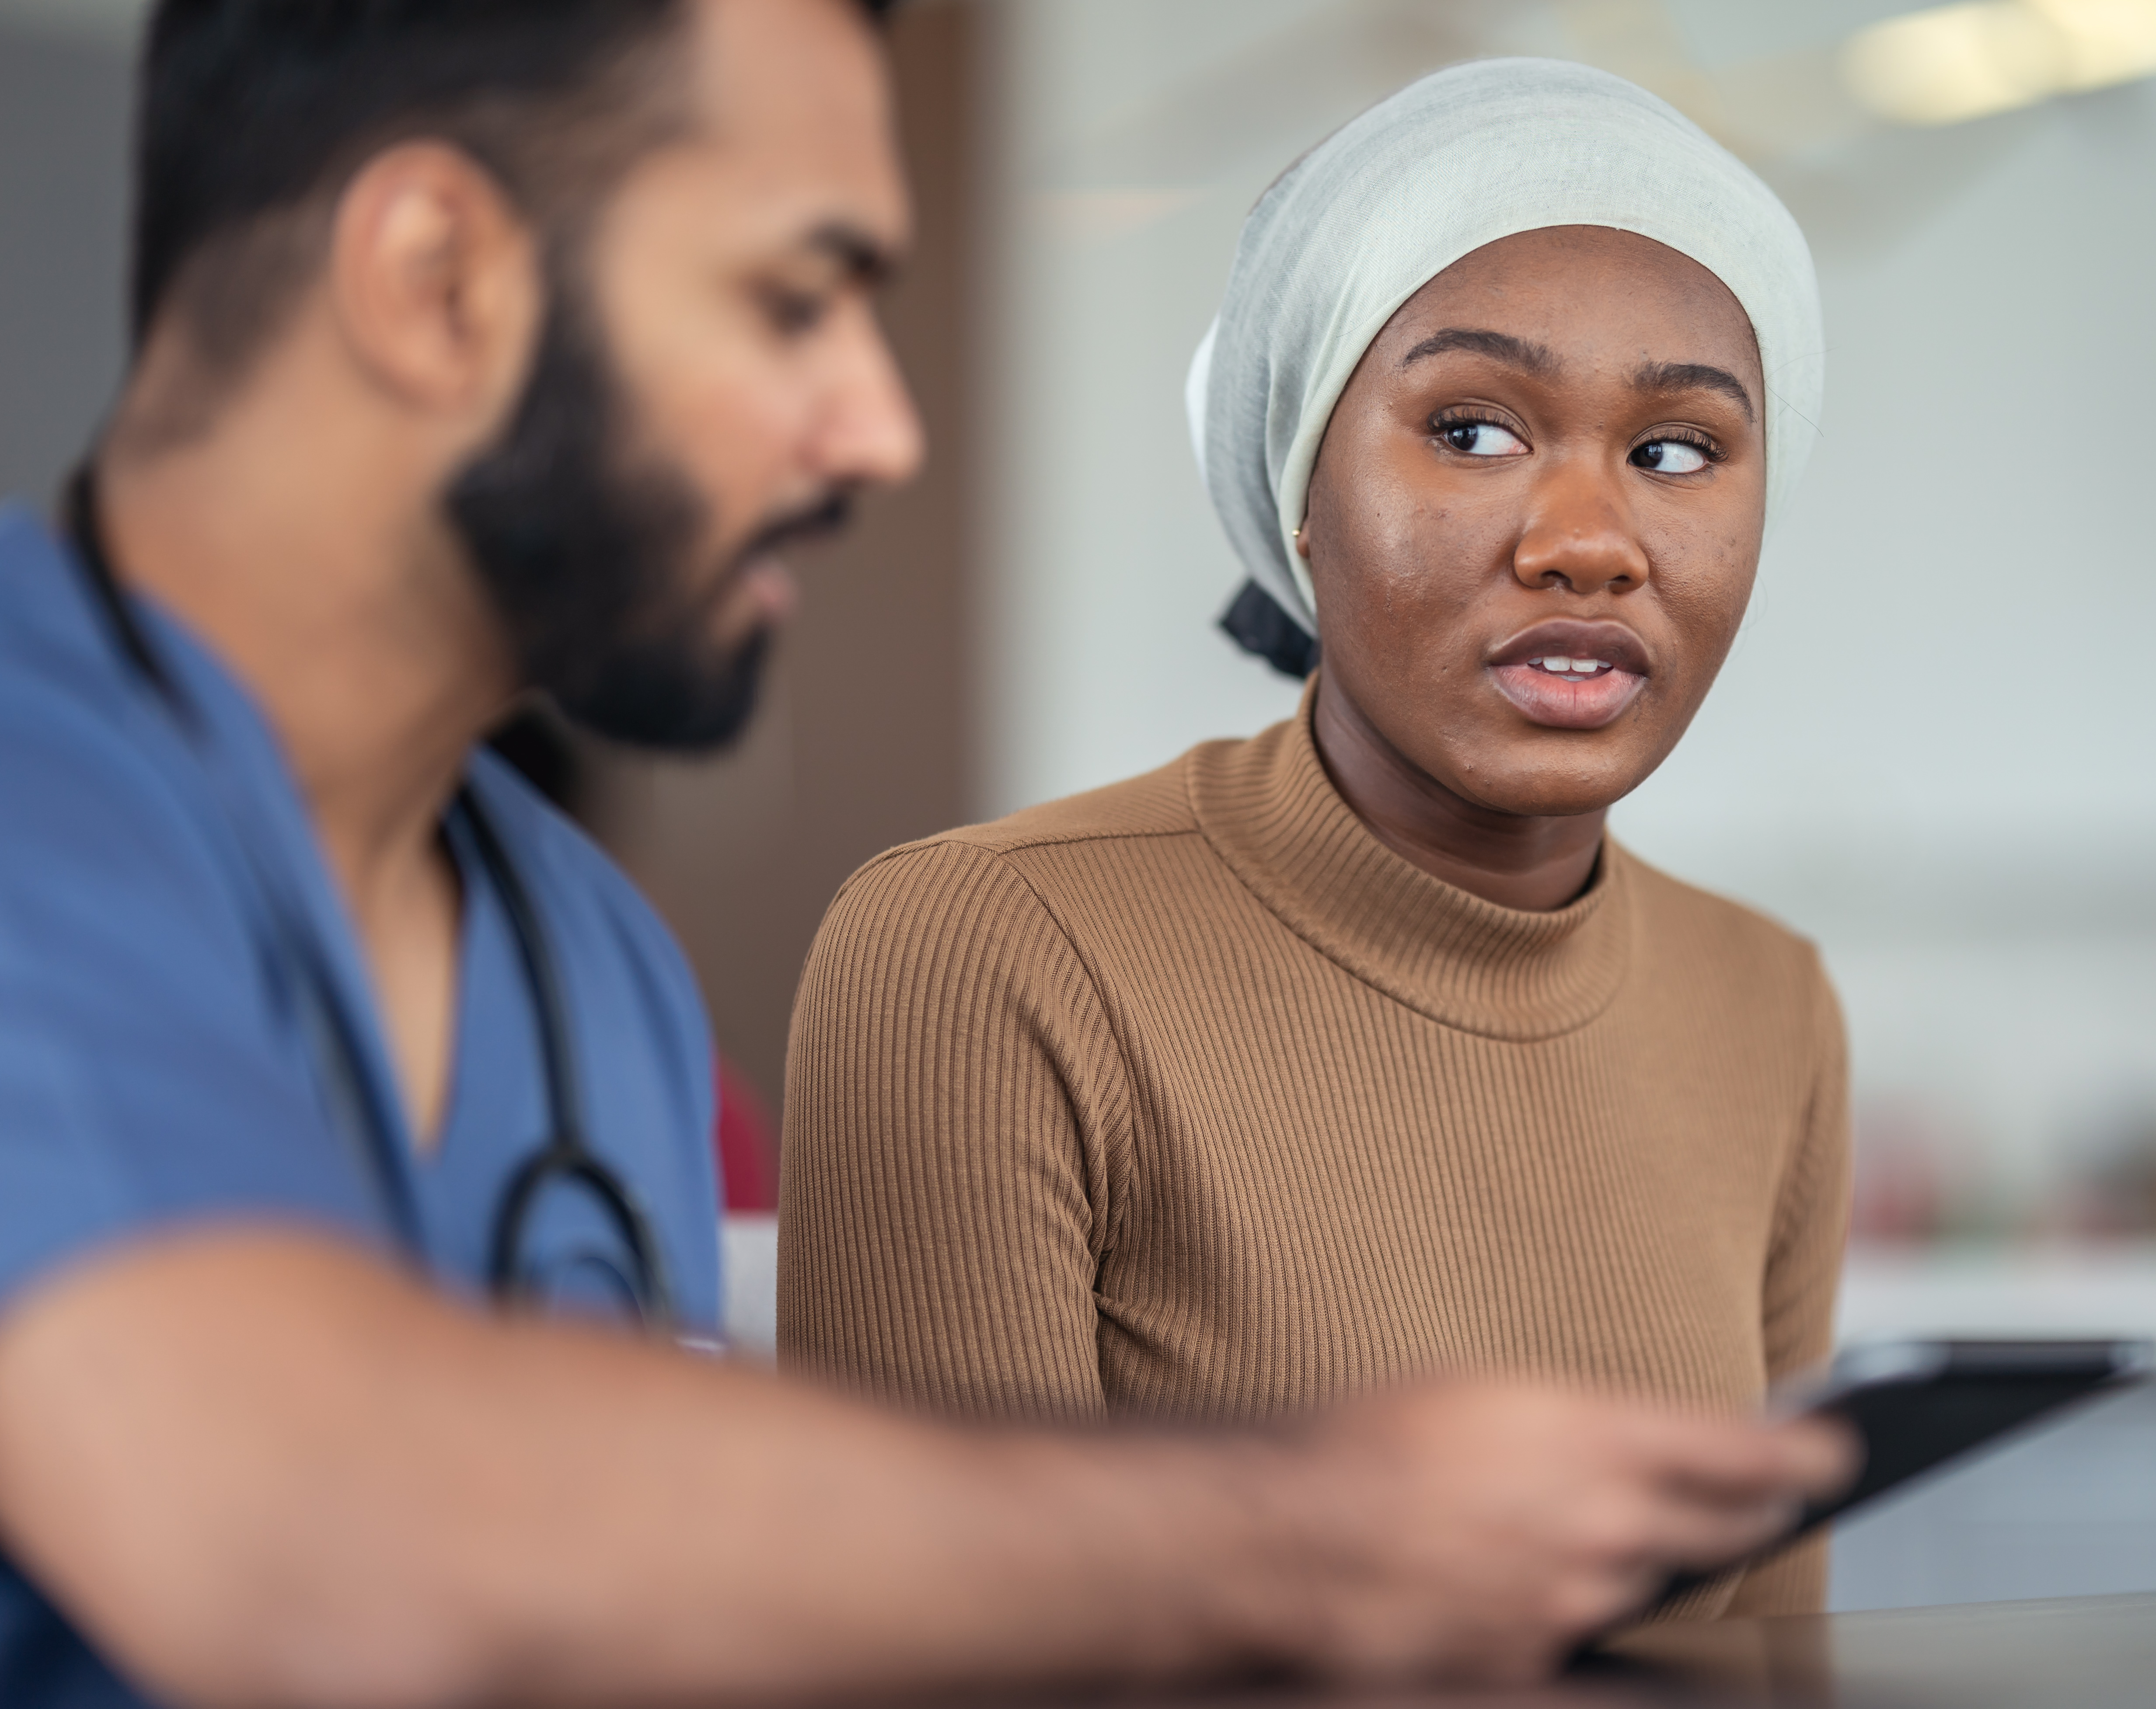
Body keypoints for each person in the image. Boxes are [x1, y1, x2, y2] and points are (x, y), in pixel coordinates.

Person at [0, 7, 1863, 1705]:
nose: (878, 429)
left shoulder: (587, 968)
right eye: (790, 301)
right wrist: (1327, 1529)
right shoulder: (34, 787)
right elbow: (304, 1560)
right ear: (435, 277)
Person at [779, 58, 1850, 1619]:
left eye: (1679, 452)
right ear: (1305, 495)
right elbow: (934, 1655)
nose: (1588, 543)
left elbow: (1769, 1654)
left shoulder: (1769, 1009)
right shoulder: (988, 953)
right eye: (1474, 430)